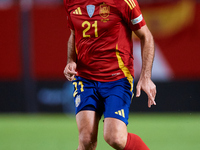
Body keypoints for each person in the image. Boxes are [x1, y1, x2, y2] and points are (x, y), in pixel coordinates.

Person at [63, 0, 156, 149]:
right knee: (86, 140)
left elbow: (146, 36)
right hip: (85, 79)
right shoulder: (71, 2)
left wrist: (146, 77)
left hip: (117, 79)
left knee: (115, 138)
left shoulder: (123, 2)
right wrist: (71, 61)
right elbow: (74, 33)